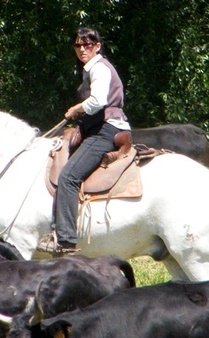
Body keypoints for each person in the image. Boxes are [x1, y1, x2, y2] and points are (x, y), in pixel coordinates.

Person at [37, 27, 131, 254]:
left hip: (106, 129)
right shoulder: (91, 69)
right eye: (78, 45)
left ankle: (66, 241)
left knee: (68, 177)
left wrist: (76, 109)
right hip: (99, 127)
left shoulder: (99, 68)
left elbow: (98, 101)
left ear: (97, 46)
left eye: (87, 44)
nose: (82, 49)